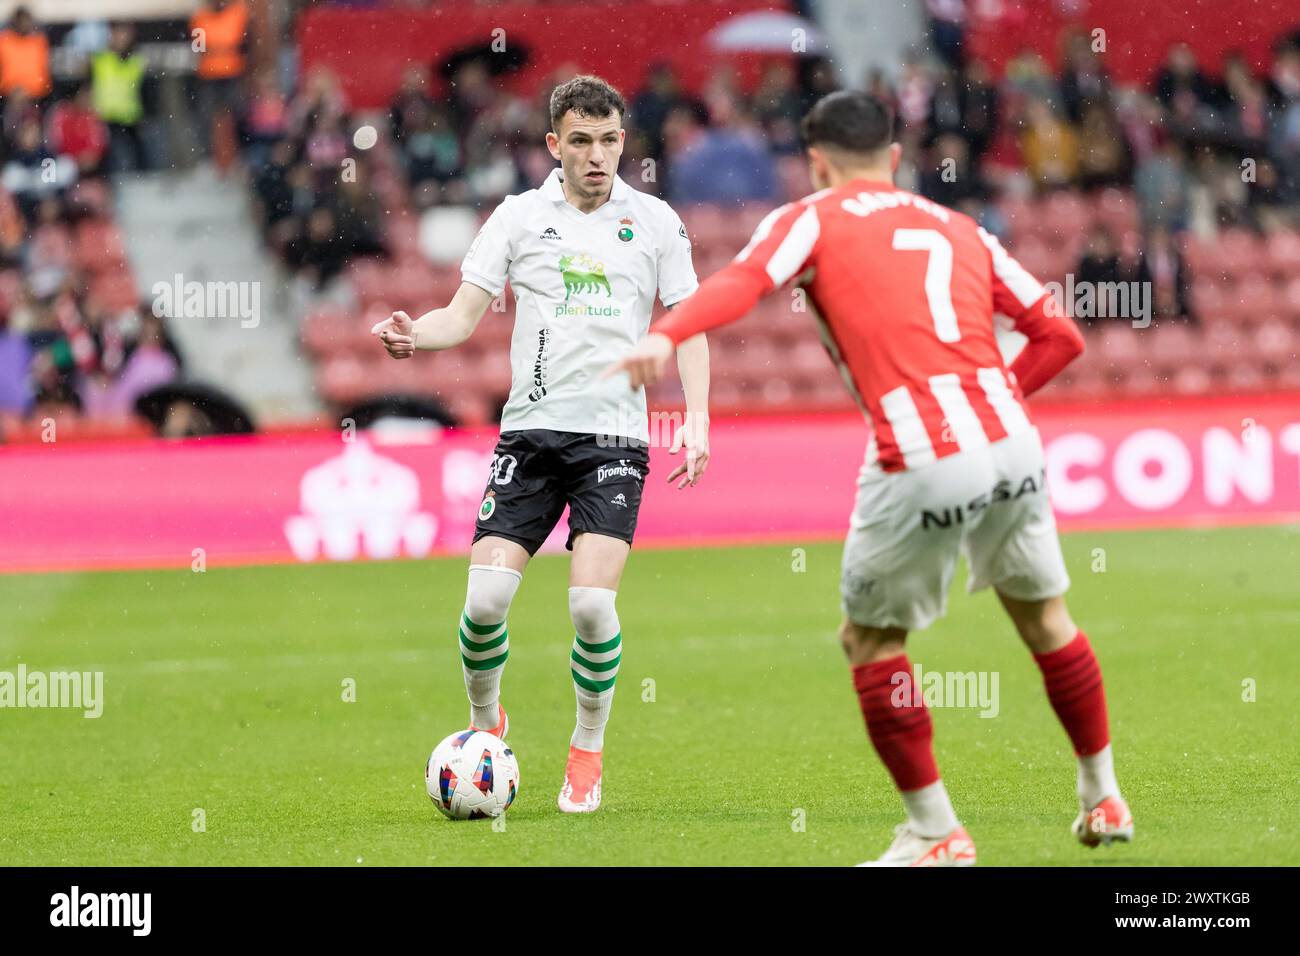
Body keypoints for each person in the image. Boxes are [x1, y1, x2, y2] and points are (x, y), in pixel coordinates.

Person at [607, 92, 1131, 866]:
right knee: (1047, 620)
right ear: (894, 157)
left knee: (871, 639)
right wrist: (994, 399)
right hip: (1012, 443)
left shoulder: (810, 217)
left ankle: (934, 832)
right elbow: (1061, 335)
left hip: (921, 453)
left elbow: (746, 283)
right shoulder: (961, 229)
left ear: (816, 160)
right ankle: (1103, 794)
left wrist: (667, 333)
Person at [371, 75, 711, 814]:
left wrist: (699, 420)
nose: (598, 155)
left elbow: (689, 323)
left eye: (610, 140)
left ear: (625, 141)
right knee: (485, 599)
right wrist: (412, 335)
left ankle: (586, 752)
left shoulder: (654, 222)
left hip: (614, 439)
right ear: (554, 145)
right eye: (582, 141)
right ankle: (486, 721)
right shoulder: (519, 218)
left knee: (591, 608)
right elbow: (460, 317)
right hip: (529, 435)